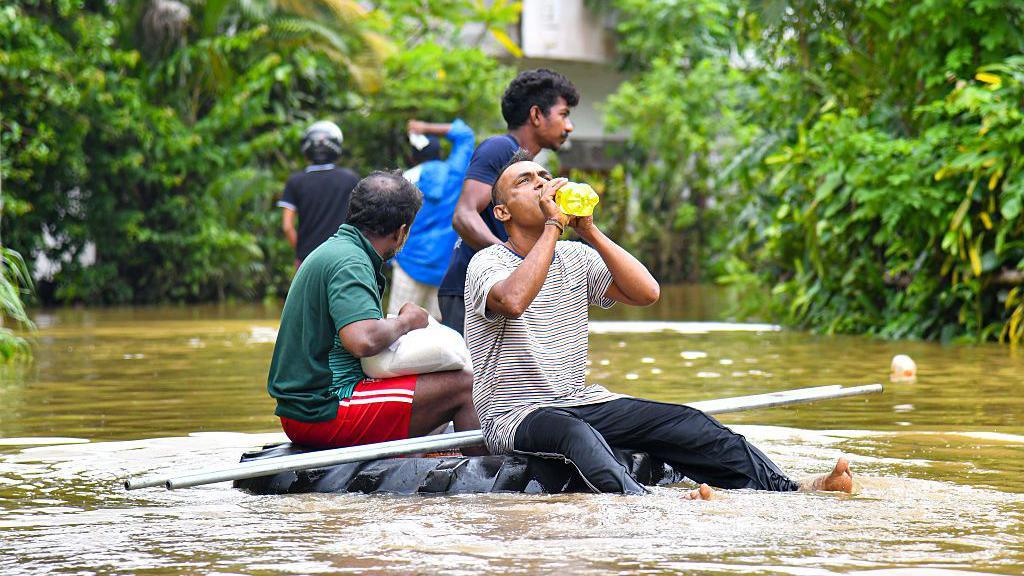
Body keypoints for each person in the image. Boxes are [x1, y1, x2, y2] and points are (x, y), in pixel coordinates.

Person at [464, 154, 856, 498]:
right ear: (503, 213)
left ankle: (793, 489)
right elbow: (514, 301)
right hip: (515, 414)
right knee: (572, 435)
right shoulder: (487, 262)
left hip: (581, 400)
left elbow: (646, 292)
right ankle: (647, 506)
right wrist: (552, 226)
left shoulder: (575, 255)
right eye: (525, 181)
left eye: (544, 176)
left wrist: (588, 230)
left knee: (686, 422)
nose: (542, 185)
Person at [267, 172, 485, 455]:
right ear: (401, 231)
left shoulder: (340, 250)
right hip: (323, 409)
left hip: (307, 407)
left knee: (437, 387)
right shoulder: (350, 262)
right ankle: (485, 483)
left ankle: (433, 453)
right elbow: (363, 340)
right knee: (464, 386)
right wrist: (408, 320)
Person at [437, 69, 579, 334]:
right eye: (563, 114)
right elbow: (464, 216)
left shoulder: (529, 168)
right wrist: (515, 260)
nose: (569, 126)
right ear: (537, 115)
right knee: (471, 376)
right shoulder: (500, 148)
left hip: (500, 290)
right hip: (473, 291)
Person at [386, 118, 476, 320]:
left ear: (412, 156)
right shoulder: (456, 173)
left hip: (409, 262)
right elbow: (465, 134)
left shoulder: (403, 180)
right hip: (444, 266)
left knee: (397, 330)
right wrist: (425, 127)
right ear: (439, 153)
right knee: (435, 335)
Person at [277, 120, 360, 269]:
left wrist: (302, 253)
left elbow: (287, 226)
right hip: (343, 257)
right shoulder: (350, 179)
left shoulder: (295, 181)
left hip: (308, 259)